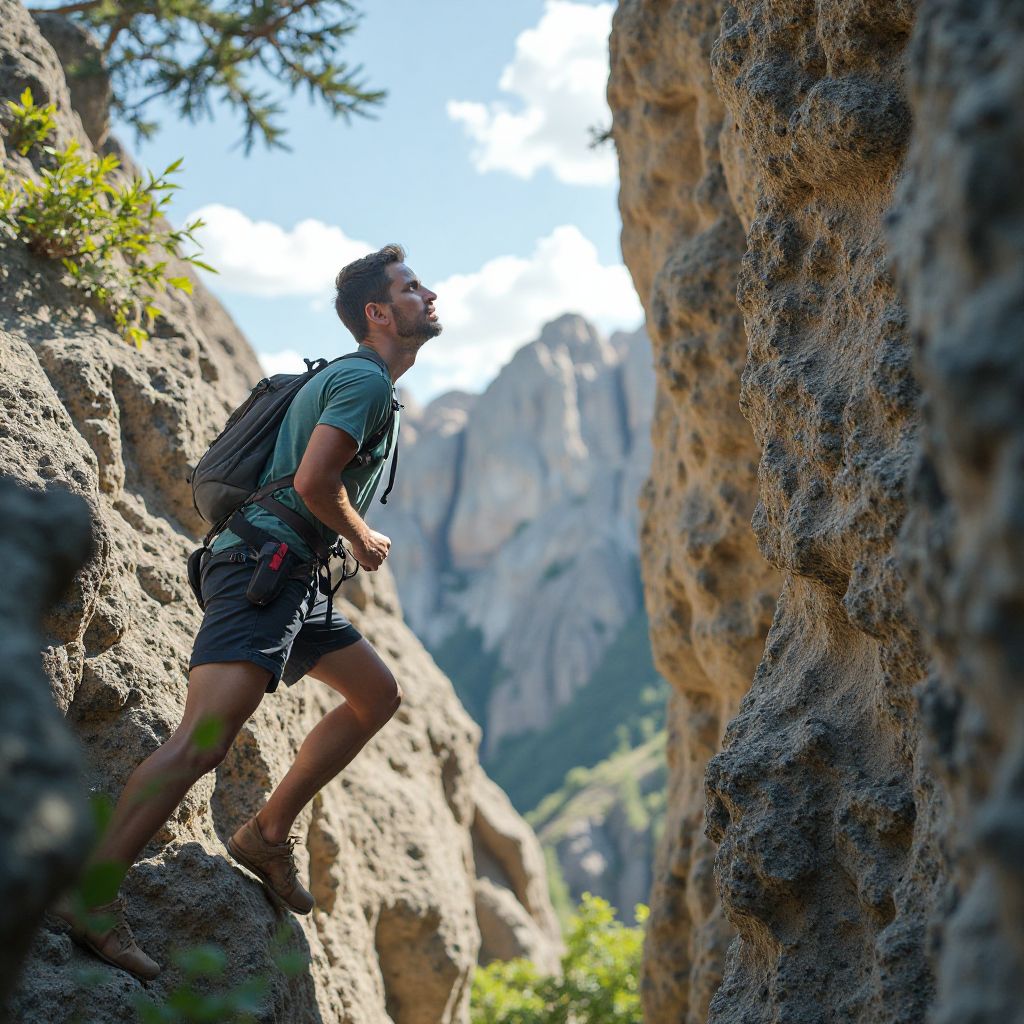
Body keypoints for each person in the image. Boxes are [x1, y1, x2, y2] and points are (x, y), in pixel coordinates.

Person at [57, 244, 441, 979]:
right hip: (263, 569)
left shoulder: (363, 381)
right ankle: (92, 894)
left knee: (375, 695)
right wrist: (361, 538)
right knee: (201, 740)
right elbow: (315, 480)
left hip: (285, 574)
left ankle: (265, 834)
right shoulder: (364, 380)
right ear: (378, 312)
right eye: (411, 288)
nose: (428, 295)